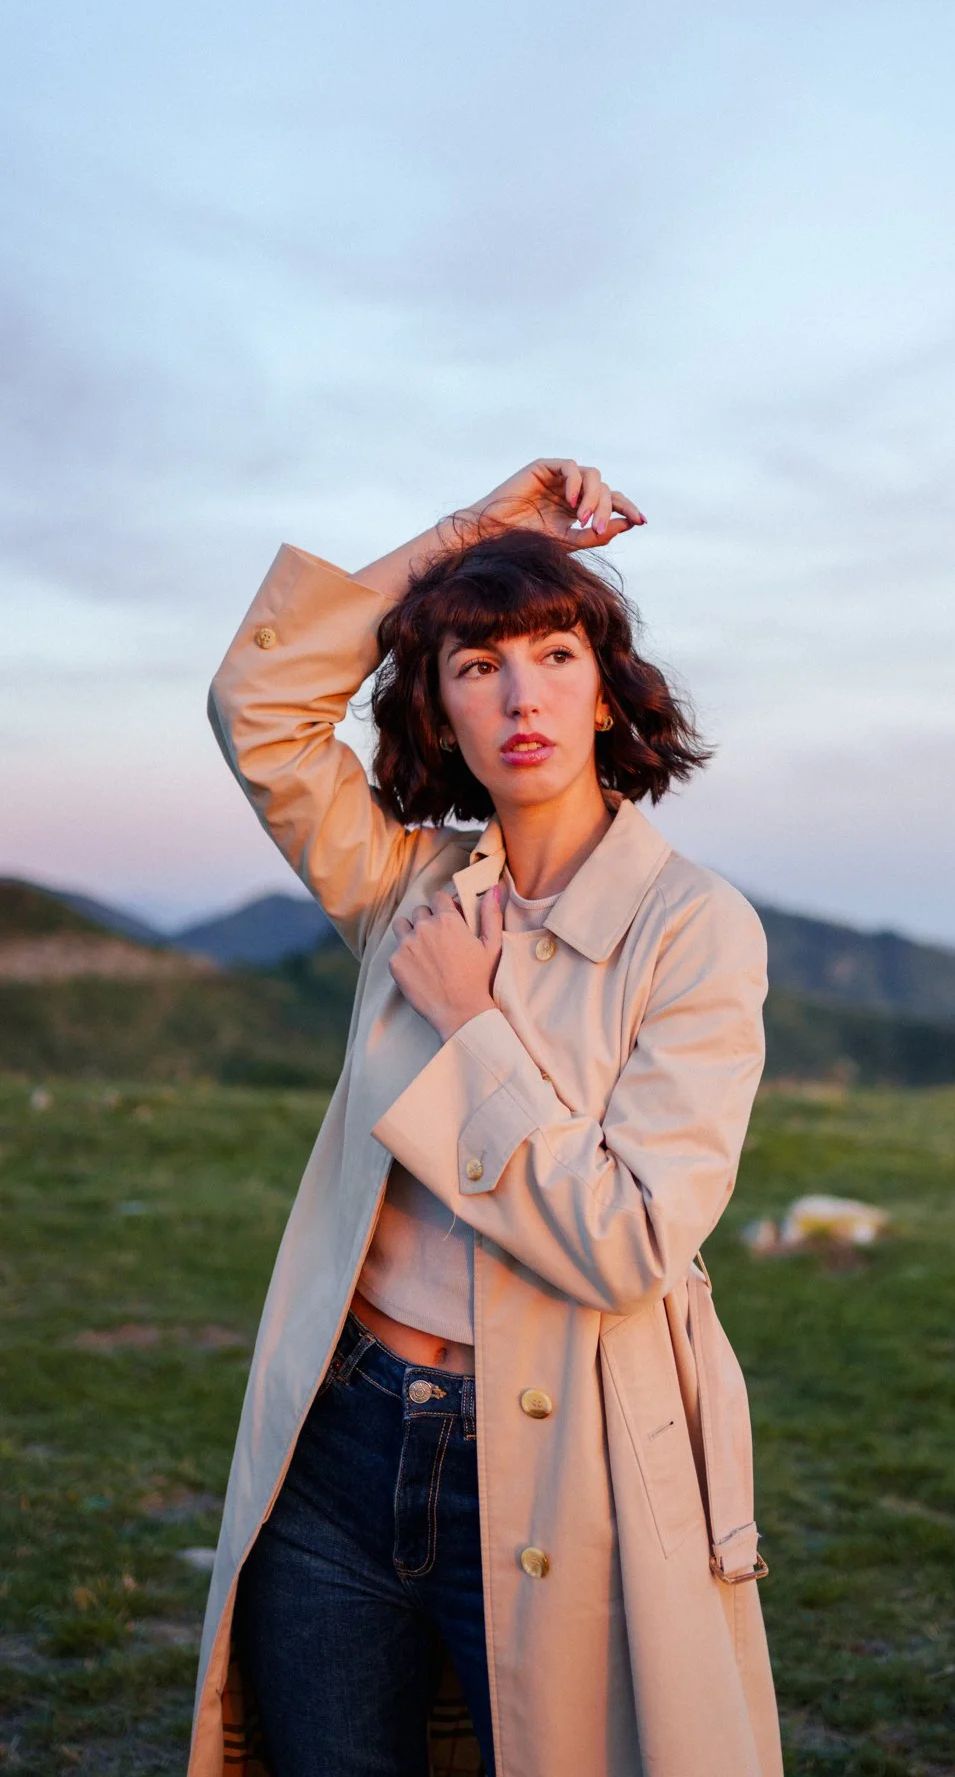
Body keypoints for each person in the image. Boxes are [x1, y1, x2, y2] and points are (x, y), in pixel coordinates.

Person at [188, 460, 783, 1777]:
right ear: (436, 707)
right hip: (339, 1449)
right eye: (475, 664)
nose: (521, 695)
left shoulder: (694, 931)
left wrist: (475, 1029)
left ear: (607, 689)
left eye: (555, 654)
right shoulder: (413, 887)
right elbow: (262, 707)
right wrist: (476, 535)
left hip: (568, 1463)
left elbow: (628, 1240)